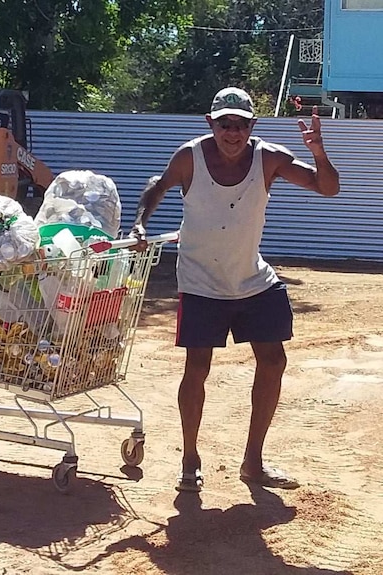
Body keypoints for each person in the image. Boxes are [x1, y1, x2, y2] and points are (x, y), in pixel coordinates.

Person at [130, 87, 340, 492]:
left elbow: (327, 188)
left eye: (241, 124)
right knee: (197, 368)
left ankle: (253, 462)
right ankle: (190, 459)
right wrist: (140, 225)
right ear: (211, 124)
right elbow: (156, 186)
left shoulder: (270, 158)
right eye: (225, 123)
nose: (233, 132)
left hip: (251, 278)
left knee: (274, 360)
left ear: (252, 126)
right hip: (200, 280)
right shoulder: (189, 157)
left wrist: (317, 150)